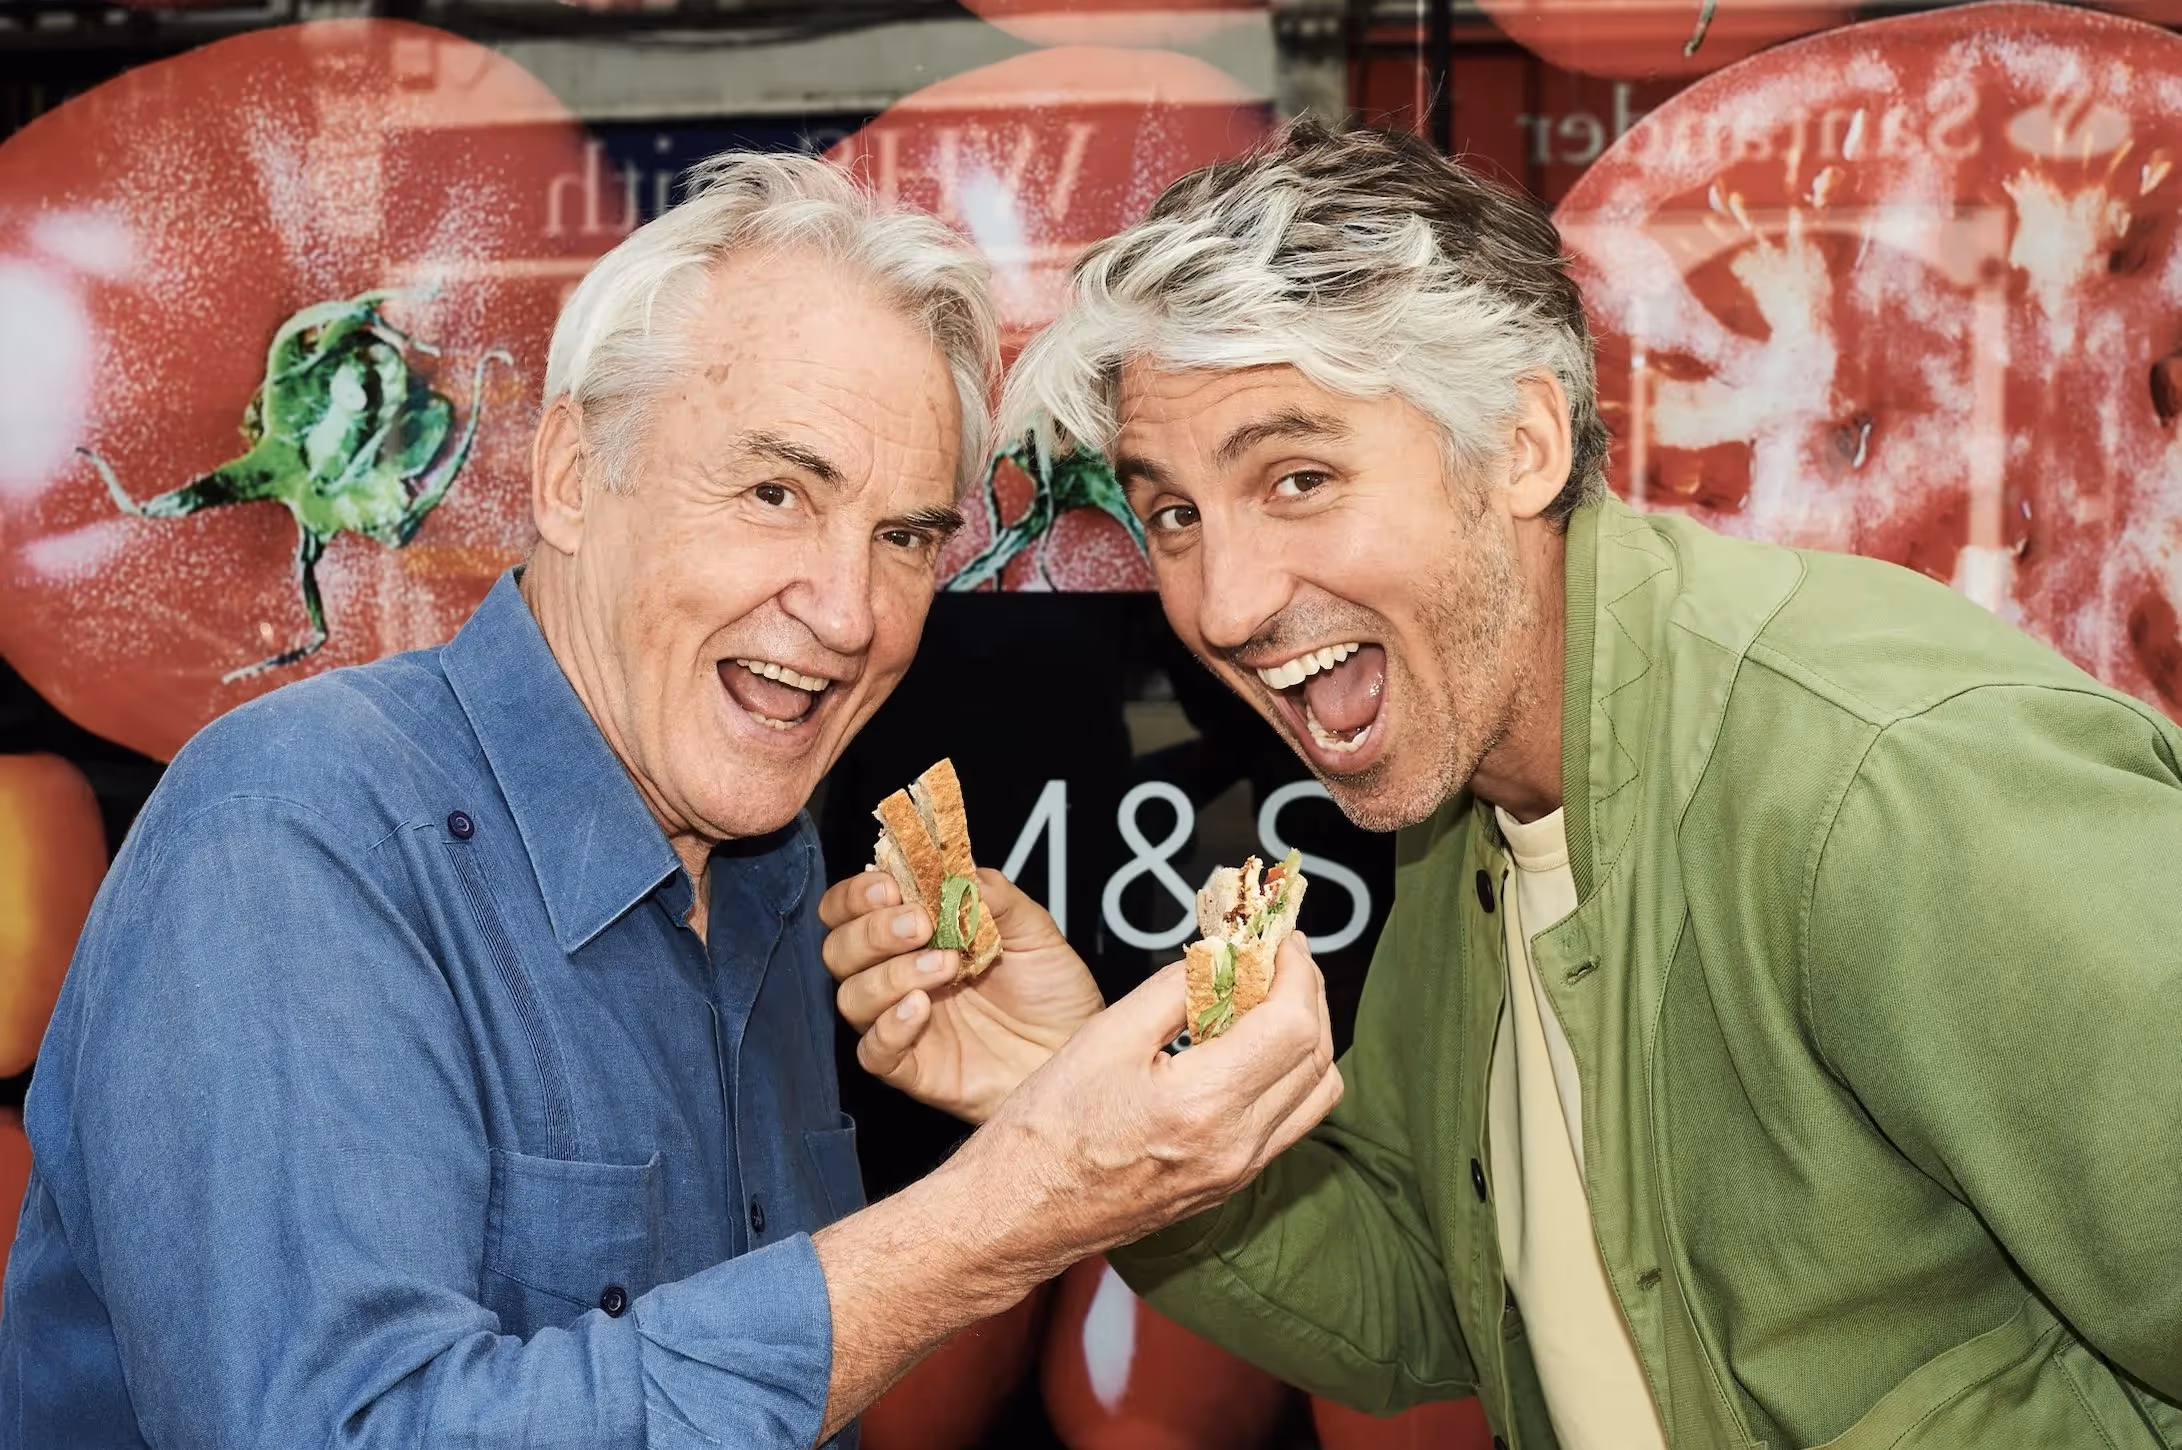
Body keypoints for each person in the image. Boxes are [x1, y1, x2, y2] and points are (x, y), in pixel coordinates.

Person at [822, 120, 2182, 1448]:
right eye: (1170, 511)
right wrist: (1070, 1091)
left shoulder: (1888, 776)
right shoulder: (1467, 803)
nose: (1221, 602)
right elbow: (1424, 1293)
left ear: (1524, 444)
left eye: (1297, 476)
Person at [0, 152, 1343, 1450]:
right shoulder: (297, 831)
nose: (847, 612)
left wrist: (1054, 1096)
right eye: (775, 491)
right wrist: (995, 1218)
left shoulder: (761, 866)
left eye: (905, 538)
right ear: (575, 477)